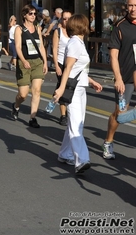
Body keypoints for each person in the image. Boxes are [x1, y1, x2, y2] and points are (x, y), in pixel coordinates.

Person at [53, 14, 103, 174]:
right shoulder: (75, 42)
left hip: (80, 86)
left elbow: (77, 69)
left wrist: (91, 81)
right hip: (73, 89)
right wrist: (61, 88)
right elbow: (68, 68)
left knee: (77, 122)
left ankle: (64, 153)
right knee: (76, 124)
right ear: (82, 26)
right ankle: (81, 160)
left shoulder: (78, 42)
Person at [101, 0, 136, 160]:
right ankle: (108, 142)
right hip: (126, 78)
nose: (133, 9)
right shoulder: (120, 27)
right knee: (120, 114)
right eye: (130, 5)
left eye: (135, 5)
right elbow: (113, 56)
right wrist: (118, 78)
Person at [11, 4, 47, 128]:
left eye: (35, 13)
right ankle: (16, 106)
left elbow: (41, 46)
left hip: (37, 62)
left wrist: (45, 62)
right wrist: (23, 60)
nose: (33, 16)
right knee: (23, 94)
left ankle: (33, 118)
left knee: (36, 90)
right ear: (25, 15)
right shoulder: (19, 29)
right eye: (30, 13)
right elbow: (17, 47)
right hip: (24, 62)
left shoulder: (37, 28)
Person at [52, 10, 72, 126]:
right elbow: (54, 49)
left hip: (71, 64)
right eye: (64, 18)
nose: (66, 21)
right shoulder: (58, 32)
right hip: (61, 62)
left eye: (69, 18)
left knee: (71, 87)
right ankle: (63, 115)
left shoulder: (75, 32)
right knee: (62, 86)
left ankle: (70, 111)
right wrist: (56, 65)